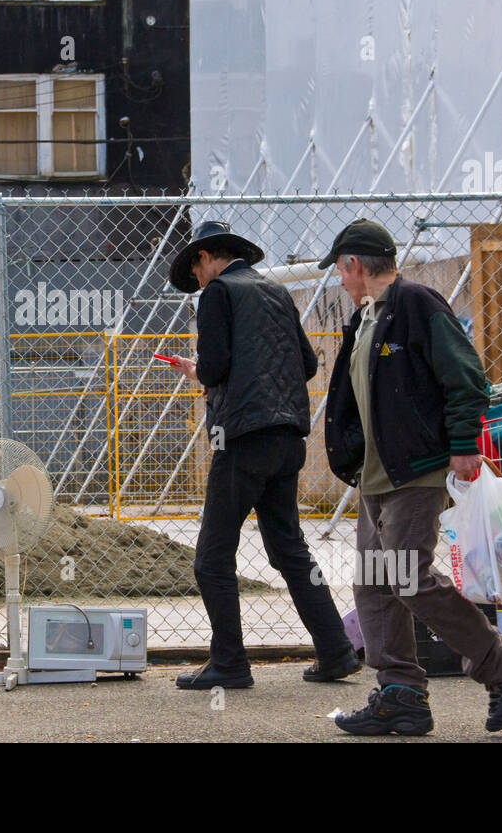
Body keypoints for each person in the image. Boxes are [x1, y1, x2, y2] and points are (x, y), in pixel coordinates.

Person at [320, 219, 502, 735]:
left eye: (339, 270)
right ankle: (400, 695)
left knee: (406, 577)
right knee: (374, 583)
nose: (340, 280)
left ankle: (501, 658)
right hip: (375, 476)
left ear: (354, 265)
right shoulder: (365, 320)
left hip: (415, 472)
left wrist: (464, 444)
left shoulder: (415, 305)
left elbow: (465, 376)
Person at [162, 221, 358, 690]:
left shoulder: (217, 294)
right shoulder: (275, 292)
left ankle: (229, 663)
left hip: (242, 437)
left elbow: (214, 367)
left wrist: (198, 372)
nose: (198, 278)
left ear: (206, 256)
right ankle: (336, 650)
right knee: (290, 550)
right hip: (288, 436)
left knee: (212, 556)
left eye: (196, 266)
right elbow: (307, 364)